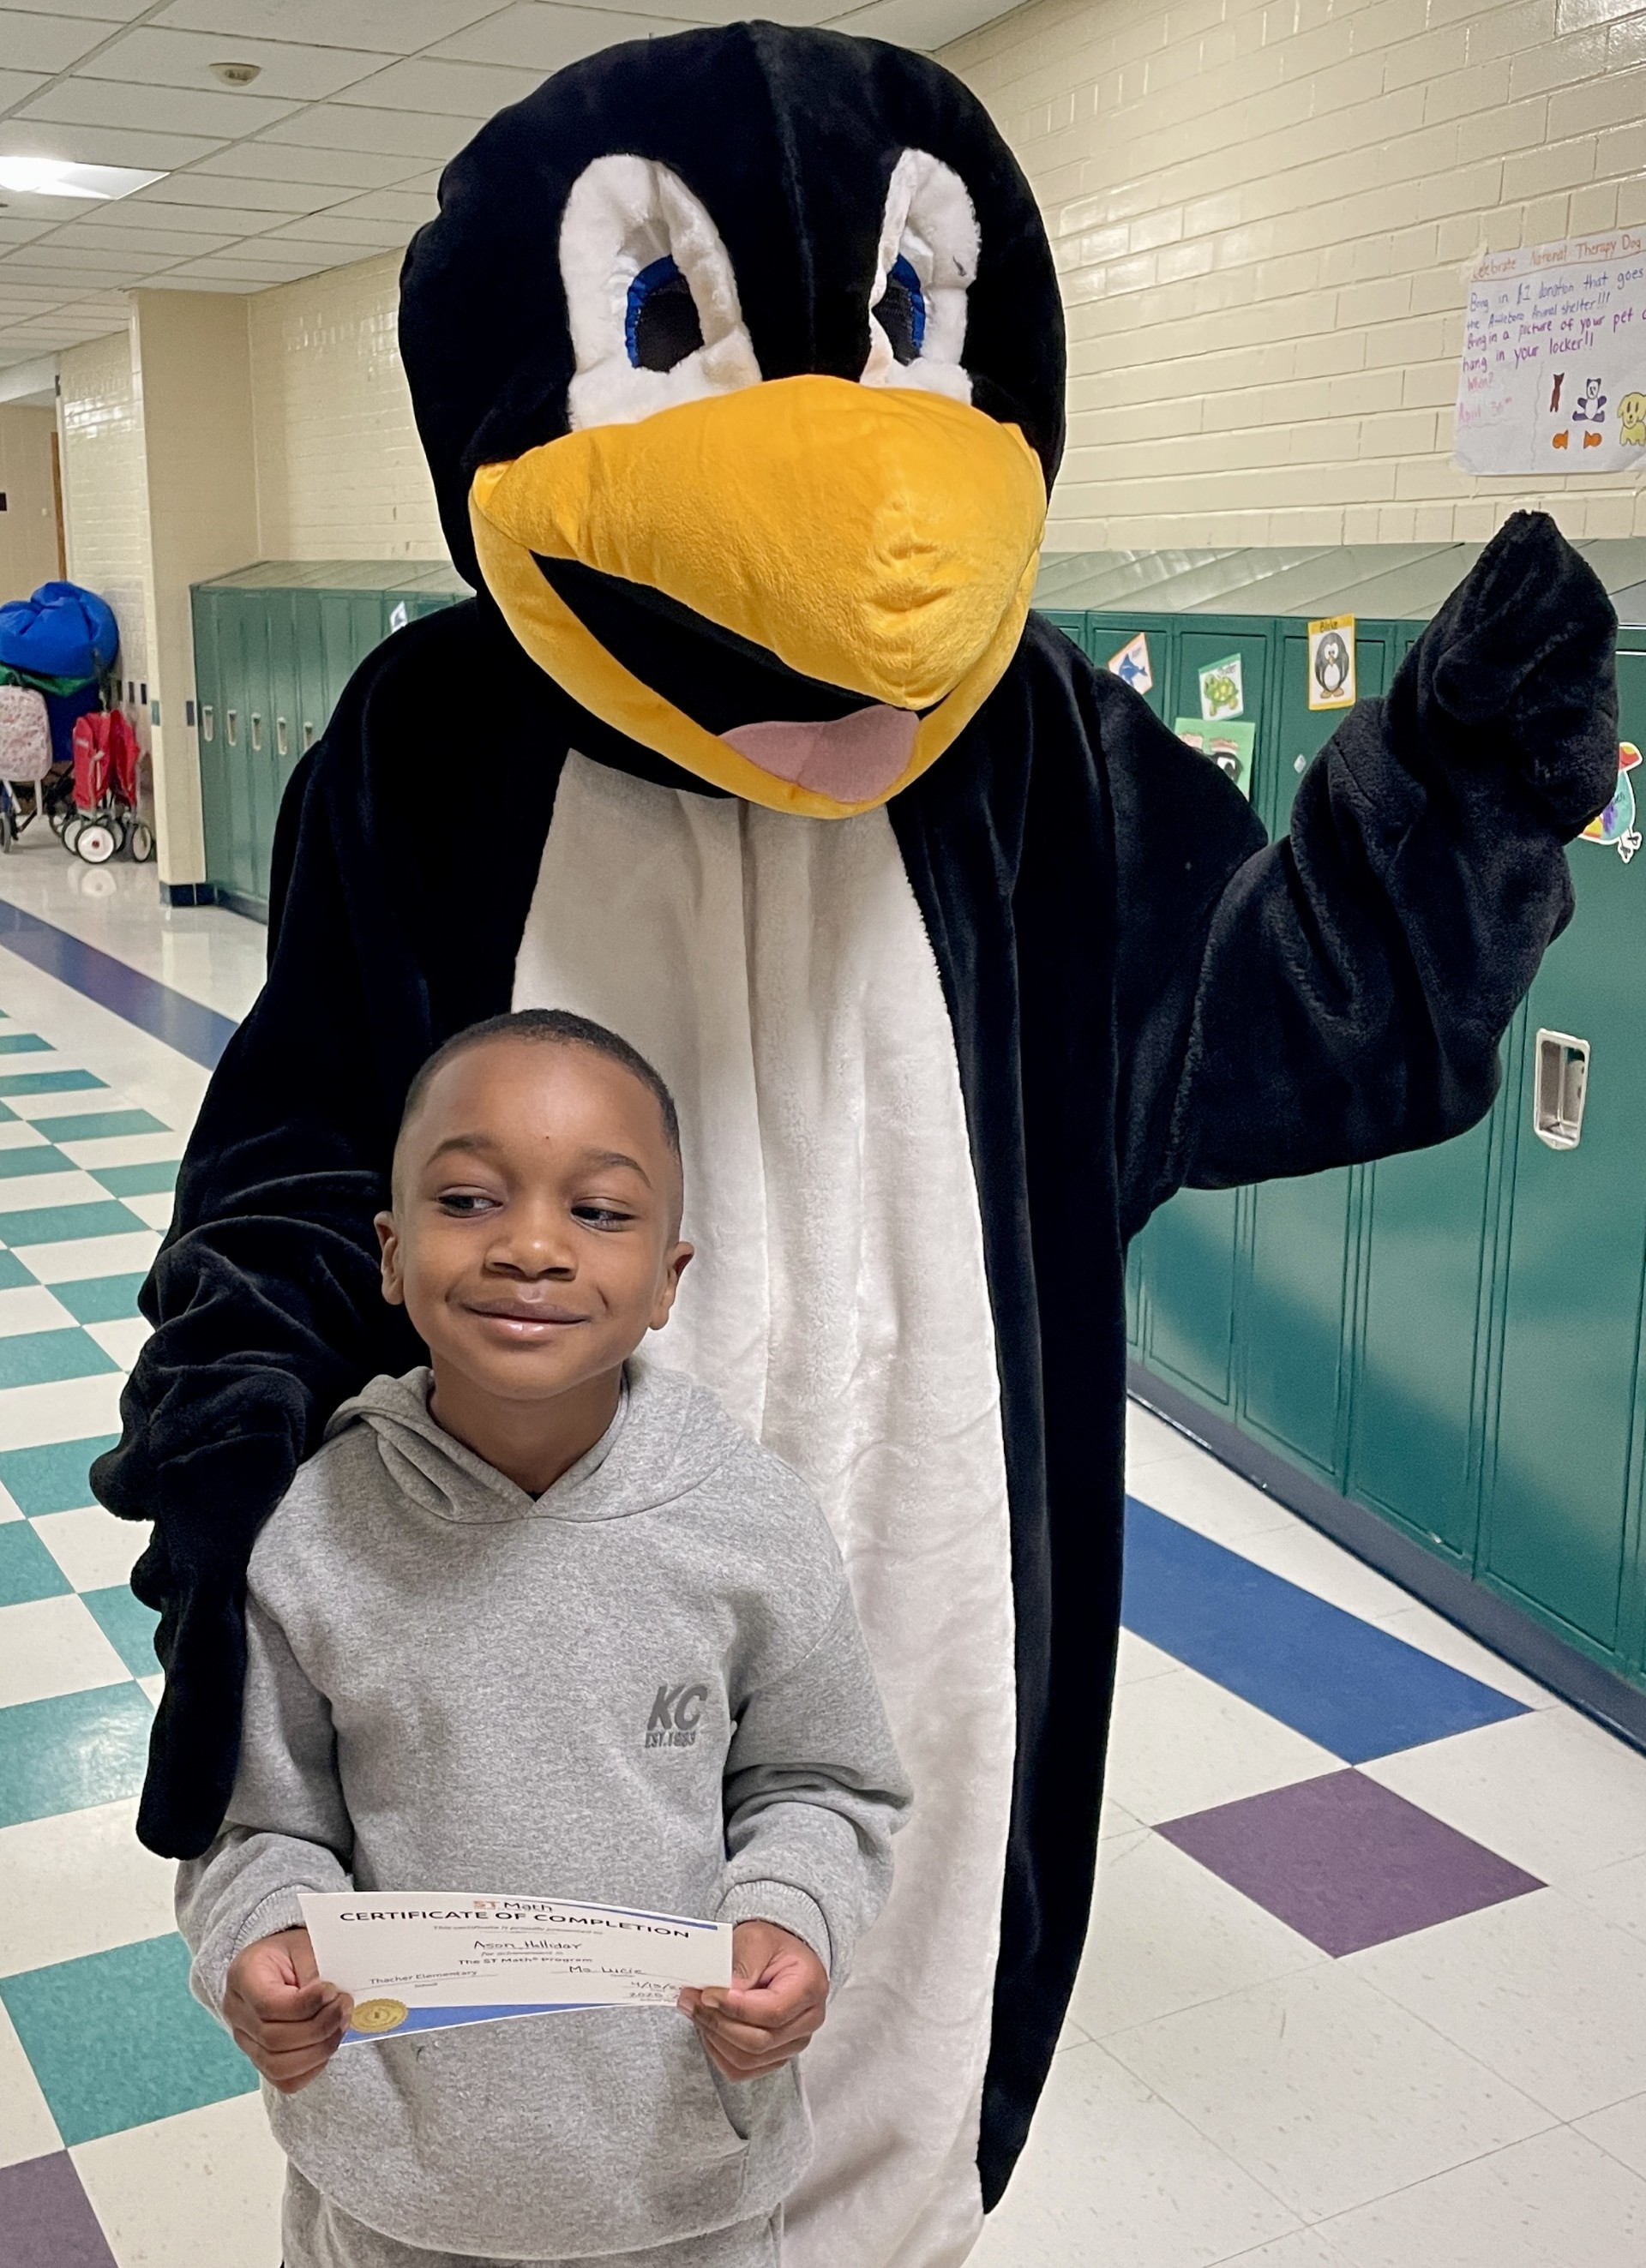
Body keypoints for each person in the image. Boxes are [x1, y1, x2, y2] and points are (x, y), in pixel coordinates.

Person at [175, 1008, 911, 2268]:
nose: (530, 1247)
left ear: (671, 1277)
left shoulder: (751, 1522)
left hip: (686, 2192)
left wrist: (792, 1915)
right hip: (391, 2195)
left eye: (601, 1211)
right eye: (468, 1198)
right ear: (392, 1253)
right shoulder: (306, 1534)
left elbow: (823, 1783)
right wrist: (263, 1933)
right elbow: (254, 1823)